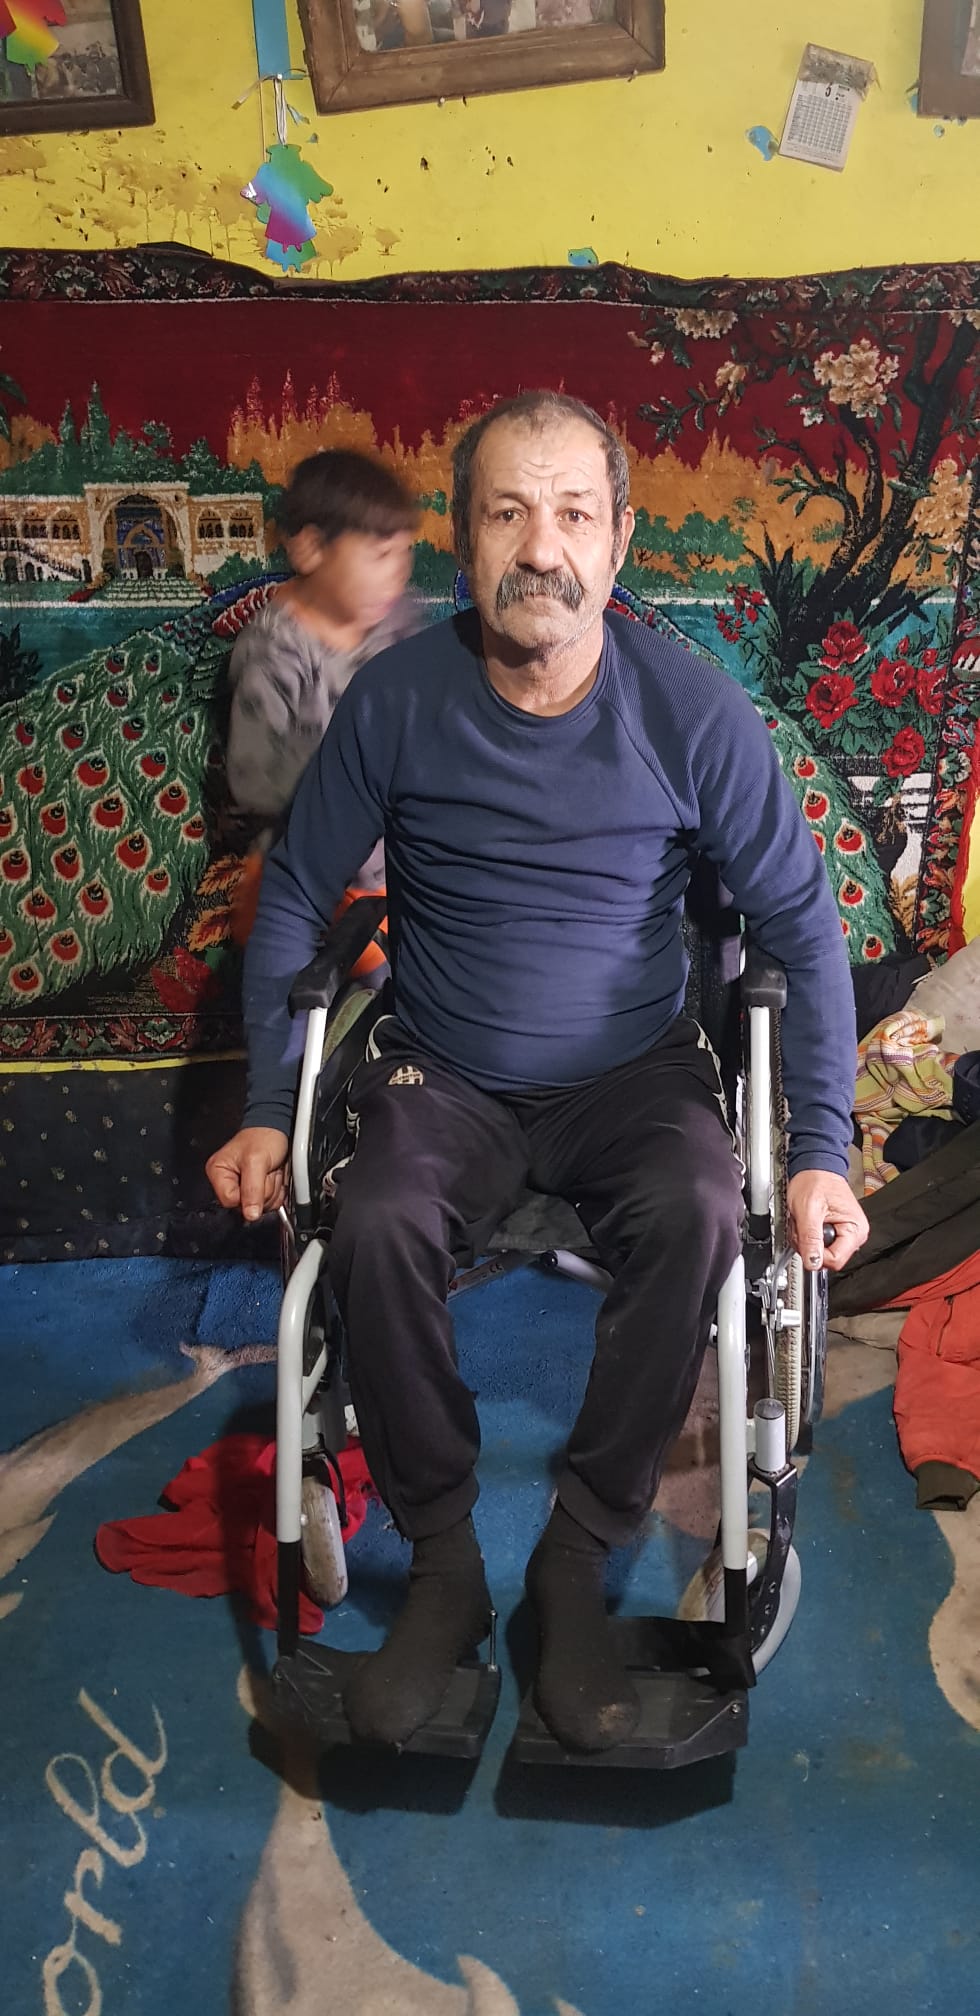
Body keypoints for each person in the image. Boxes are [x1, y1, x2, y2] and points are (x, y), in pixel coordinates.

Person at [207, 391, 869, 1755]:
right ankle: (446, 1567)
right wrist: (270, 1109)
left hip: (633, 1070)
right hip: (443, 1067)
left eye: (573, 514)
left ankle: (575, 1559)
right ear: (463, 539)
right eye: (507, 513)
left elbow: (801, 927)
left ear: (619, 539)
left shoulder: (690, 710)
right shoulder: (398, 701)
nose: (541, 547)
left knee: (700, 1210)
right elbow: (296, 902)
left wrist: (820, 1148)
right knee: (375, 1219)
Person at [225, 449, 419, 953]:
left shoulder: (397, 622)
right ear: (310, 549)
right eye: (380, 555)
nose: (398, 573)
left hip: (397, 855)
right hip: (307, 863)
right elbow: (254, 780)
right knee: (303, 972)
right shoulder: (274, 648)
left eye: (405, 553)